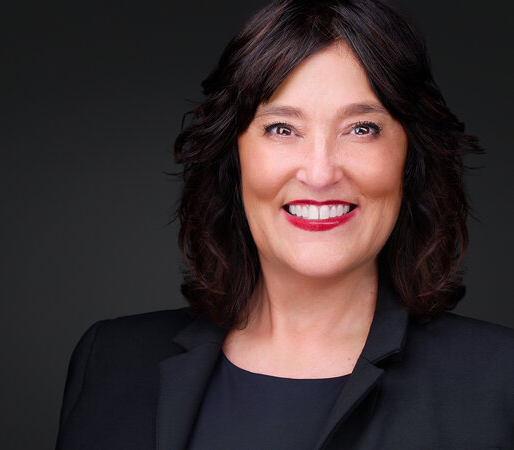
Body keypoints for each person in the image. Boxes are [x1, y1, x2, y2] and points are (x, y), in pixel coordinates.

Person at [56, 0, 514, 448]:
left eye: (361, 128)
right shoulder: (109, 361)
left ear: (410, 159)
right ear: (233, 156)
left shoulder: (498, 378)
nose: (320, 173)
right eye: (282, 129)